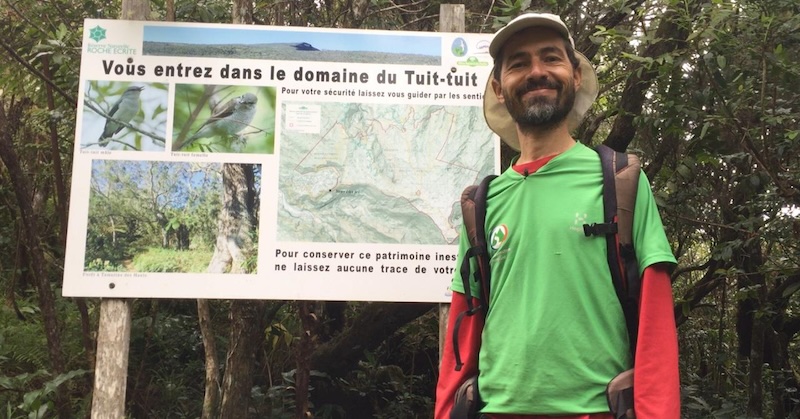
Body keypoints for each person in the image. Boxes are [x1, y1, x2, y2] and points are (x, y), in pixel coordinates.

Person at [435, 12, 680, 419]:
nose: (537, 72)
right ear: (498, 88)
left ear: (575, 76)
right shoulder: (482, 203)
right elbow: (462, 333)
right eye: (519, 63)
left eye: (550, 58)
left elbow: (655, 321)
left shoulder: (621, 181)